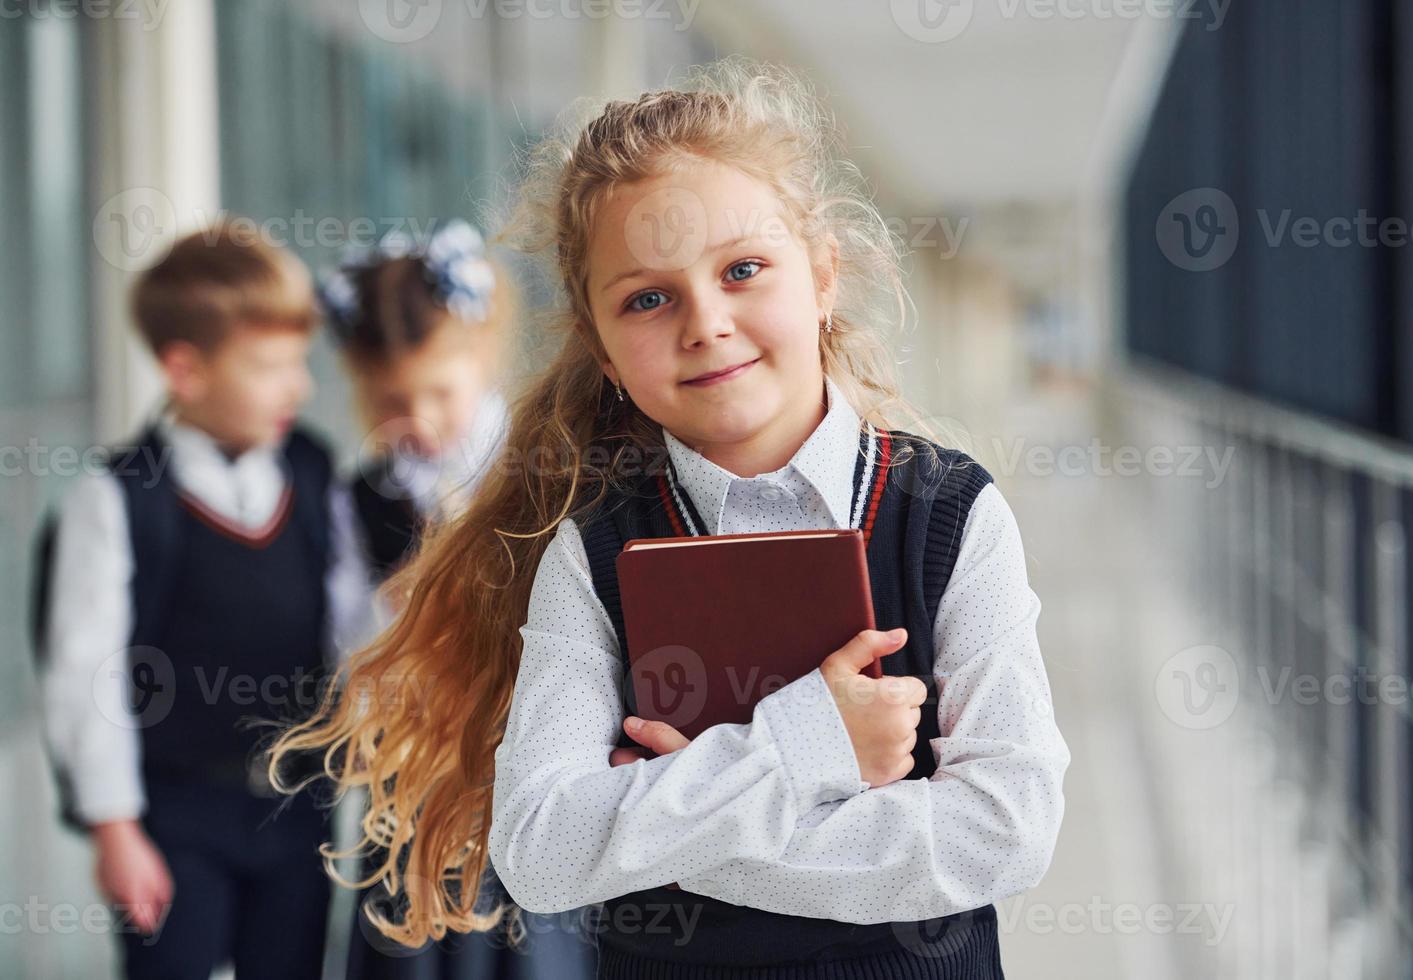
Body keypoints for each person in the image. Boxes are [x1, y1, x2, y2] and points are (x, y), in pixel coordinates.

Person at [269, 57, 1070, 979]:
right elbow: (543, 848)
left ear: (822, 277)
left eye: (744, 269)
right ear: (603, 351)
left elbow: (1005, 833)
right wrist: (811, 741)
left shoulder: (952, 514)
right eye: (648, 298)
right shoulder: (592, 550)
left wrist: (671, 821)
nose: (706, 322)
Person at [36, 224, 348, 979]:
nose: (300, 386)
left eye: (299, 361)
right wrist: (116, 830)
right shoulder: (117, 499)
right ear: (186, 369)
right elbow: (86, 674)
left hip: (295, 809)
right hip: (172, 817)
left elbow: (349, 622)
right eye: (272, 366)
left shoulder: (311, 471)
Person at [319, 219, 597, 979]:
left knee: (532, 954)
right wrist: (391, 621)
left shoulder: (537, 468)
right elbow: (346, 647)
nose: (420, 419)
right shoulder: (362, 499)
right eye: (390, 400)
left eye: (438, 391)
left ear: (481, 358)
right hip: (415, 772)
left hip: (526, 763)